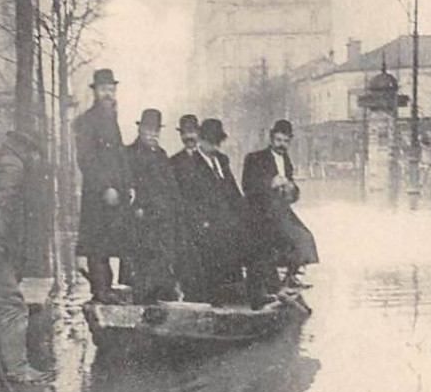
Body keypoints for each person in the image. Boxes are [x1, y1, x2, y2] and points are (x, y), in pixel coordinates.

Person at [0, 130, 48, 384]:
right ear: (28, 149)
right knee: (12, 305)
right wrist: (2, 246)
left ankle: (3, 365)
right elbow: (3, 208)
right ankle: (17, 368)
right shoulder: (13, 166)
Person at [172, 117, 245, 304]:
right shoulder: (191, 164)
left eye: (217, 143)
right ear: (201, 140)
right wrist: (204, 221)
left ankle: (239, 293)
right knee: (215, 243)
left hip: (226, 221)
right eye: (210, 142)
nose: (214, 147)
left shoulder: (222, 160)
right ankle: (214, 298)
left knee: (245, 235)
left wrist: (245, 215)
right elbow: (189, 200)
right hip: (204, 224)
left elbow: (234, 193)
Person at [74, 67, 131, 303]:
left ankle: (105, 287)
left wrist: (127, 184)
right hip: (98, 194)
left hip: (114, 193)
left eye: (112, 89)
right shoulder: (88, 121)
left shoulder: (111, 119)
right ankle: (100, 290)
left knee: (107, 241)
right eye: (104, 89)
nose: (109, 94)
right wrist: (106, 187)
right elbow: (86, 159)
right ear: (95, 92)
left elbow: (119, 155)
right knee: (97, 242)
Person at [242, 119, 319, 291]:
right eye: (278, 140)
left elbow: (293, 195)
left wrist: (292, 189)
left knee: (304, 237)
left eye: (285, 141)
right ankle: (272, 284)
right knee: (275, 242)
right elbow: (247, 186)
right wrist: (270, 183)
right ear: (271, 139)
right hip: (260, 212)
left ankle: (290, 277)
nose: (281, 145)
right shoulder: (255, 158)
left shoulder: (287, 162)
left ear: (290, 141)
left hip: (281, 211)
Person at [125, 108, 185, 303]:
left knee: (165, 264)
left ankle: (164, 305)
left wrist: (176, 209)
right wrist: (139, 208)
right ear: (140, 130)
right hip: (143, 220)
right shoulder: (130, 153)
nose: (152, 135)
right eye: (148, 130)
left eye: (156, 131)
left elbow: (172, 186)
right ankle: (143, 305)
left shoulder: (161, 154)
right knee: (143, 266)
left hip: (164, 220)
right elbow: (128, 183)